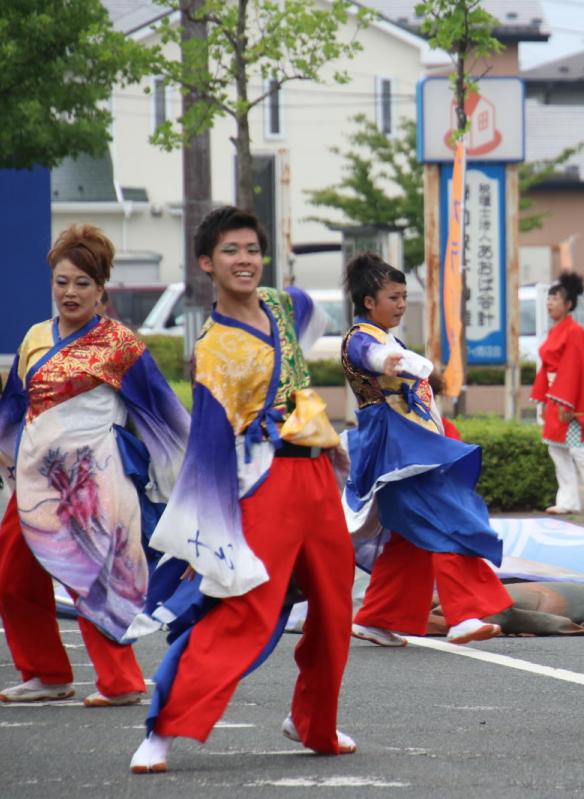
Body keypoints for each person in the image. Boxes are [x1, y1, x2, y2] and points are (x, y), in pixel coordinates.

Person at [129, 207, 356, 774]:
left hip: (319, 480)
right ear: (207, 263)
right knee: (241, 611)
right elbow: (207, 446)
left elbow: (313, 327)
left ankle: (313, 723)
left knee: (333, 612)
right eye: (230, 251)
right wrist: (201, 537)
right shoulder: (215, 348)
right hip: (264, 482)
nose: (245, 260)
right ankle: (162, 726)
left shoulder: (285, 305)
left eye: (252, 249)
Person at [0, 225, 189, 707]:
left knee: (91, 582)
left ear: (101, 289)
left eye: (82, 283)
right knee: (13, 580)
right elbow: (12, 407)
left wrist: (190, 482)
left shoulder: (120, 344)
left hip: (91, 485)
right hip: (34, 482)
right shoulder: (36, 337)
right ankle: (47, 673)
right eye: (62, 281)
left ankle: (121, 682)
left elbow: (167, 417)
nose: (70, 292)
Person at [338, 252, 512, 649]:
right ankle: (464, 613)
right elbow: (373, 357)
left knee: (413, 537)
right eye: (394, 297)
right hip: (395, 449)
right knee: (443, 518)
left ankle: (378, 617)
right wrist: (394, 361)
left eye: (403, 297)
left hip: (409, 443)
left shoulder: (387, 337)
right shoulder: (361, 339)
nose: (401, 304)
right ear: (369, 301)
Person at [531, 272, 584, 514]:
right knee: (557, 449)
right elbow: (549, 368)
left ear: (568, 304)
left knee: (578, 449)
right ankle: (568, 500)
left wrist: (567, 404)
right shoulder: (557, 330)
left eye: (555, 299)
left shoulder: (573, 331)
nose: (550, 303)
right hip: (557, 396)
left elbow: (574, 369)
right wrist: (547, 399)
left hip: (569, 398)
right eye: (549, 298)